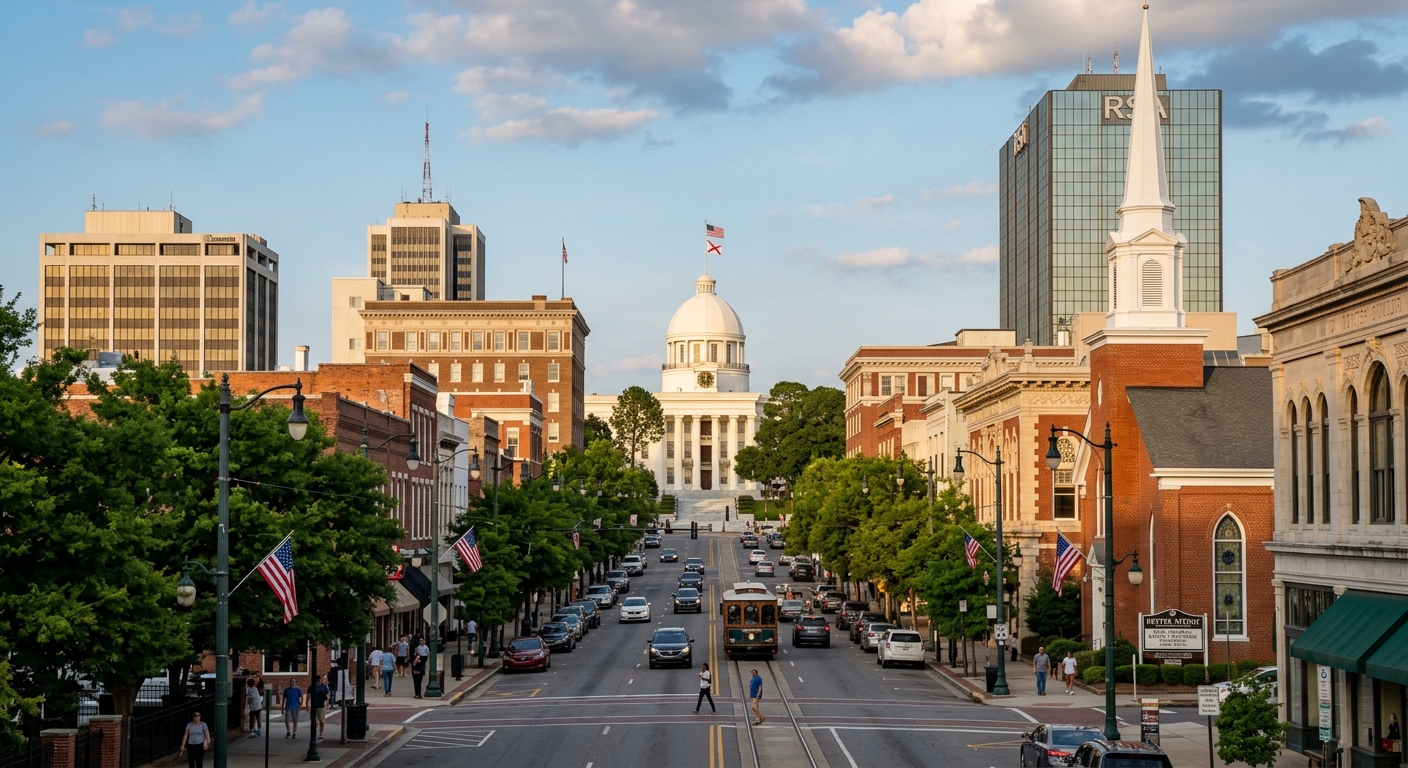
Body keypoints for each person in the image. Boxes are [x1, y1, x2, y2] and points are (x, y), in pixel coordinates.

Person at [310, 674, 330, 740]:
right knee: (315, 722)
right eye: (317, 680)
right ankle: (314, 733)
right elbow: (308, 695)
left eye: (319, 679)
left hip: (321, 706)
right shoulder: (313, 686)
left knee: (322, 721)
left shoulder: (324, 686)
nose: (318, 681)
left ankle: (321, 733)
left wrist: (327, 703)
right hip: (314, 706)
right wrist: (308, 704)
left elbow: (327, 695)